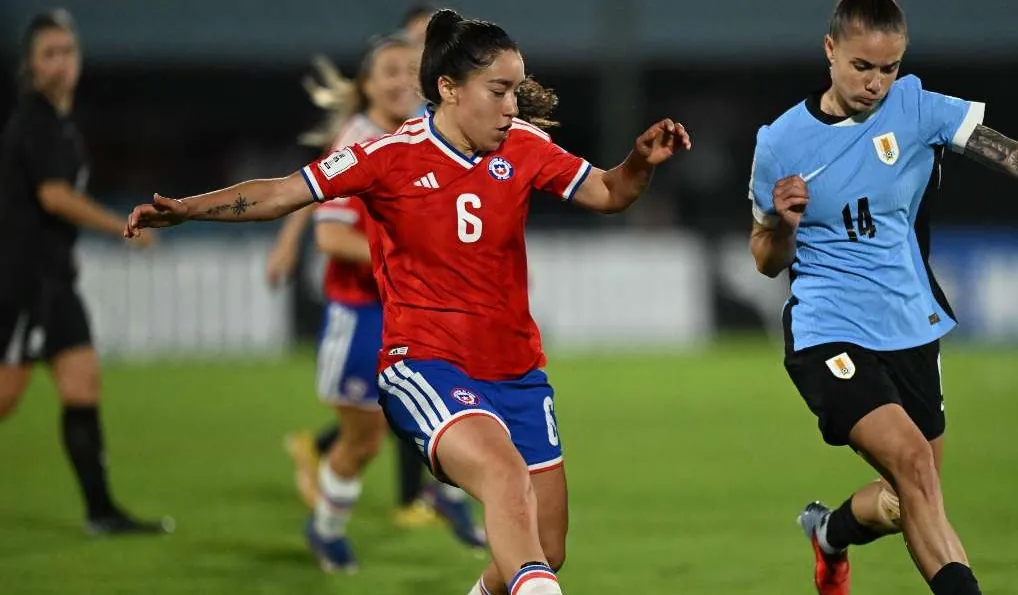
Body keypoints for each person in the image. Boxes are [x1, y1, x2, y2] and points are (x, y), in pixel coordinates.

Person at [124, 9, 690, 595]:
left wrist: (639, 164)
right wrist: (188, 208)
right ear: (449, 88)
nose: (512, 108)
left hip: (518, 373)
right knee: (503, 478)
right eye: (497, 92)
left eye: (514, 92)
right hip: (426, 364)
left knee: (547, 547)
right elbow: (282, 193)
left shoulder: (524, 146)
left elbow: (607, 190)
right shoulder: (388, 155)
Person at [747, 1, 1018, 594]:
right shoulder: (781, 142)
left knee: (907, 498)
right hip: (828, 330)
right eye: (863, 66)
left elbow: (1012, 154)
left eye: (888, 69)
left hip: (911, 322)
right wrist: (782, 225)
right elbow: (764, 257)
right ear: (829, 50)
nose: (875, 83)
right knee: (914, 469)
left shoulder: (914, 108)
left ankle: (830, 534)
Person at [267, 26, 485, 550]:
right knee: (362, 441)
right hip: (362, 313)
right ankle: (326, 528)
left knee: (459, 411)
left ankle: (444, 494)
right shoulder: (356, 142)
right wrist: (412, 259)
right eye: (390, 72)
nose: (403, 82)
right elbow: (332, 235)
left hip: (415, 315)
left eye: (412, 72)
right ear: (366, 85)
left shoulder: (428, 135)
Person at [0, 10, 172, 536]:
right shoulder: (34, 119)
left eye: (67, 53)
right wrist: (123, 227)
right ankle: (100, 511)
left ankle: (100, 512)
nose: (60, 64)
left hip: (56, 281)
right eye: (48, 55)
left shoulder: (61, 123)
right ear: (30, 65)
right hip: (22, 279)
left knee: (82, 384)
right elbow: (54, 197)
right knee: (5, 398)